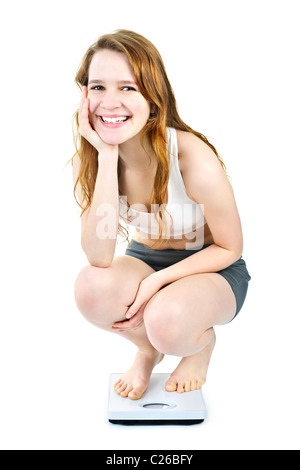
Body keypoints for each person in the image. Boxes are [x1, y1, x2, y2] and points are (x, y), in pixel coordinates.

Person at [72, 30, 251, 400]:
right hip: (145, 259)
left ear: (153, 98)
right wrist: (106, 157)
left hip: (212, 268)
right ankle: (148, 349)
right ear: (84, 95)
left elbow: (230, 247)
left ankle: (198, 344)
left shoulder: (190, 157)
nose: (110, 102)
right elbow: (100, 256)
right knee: (91, 288)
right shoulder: (95, 155)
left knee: (166, 320)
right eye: (98, 87)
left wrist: (156, 284)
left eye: (127, 88)